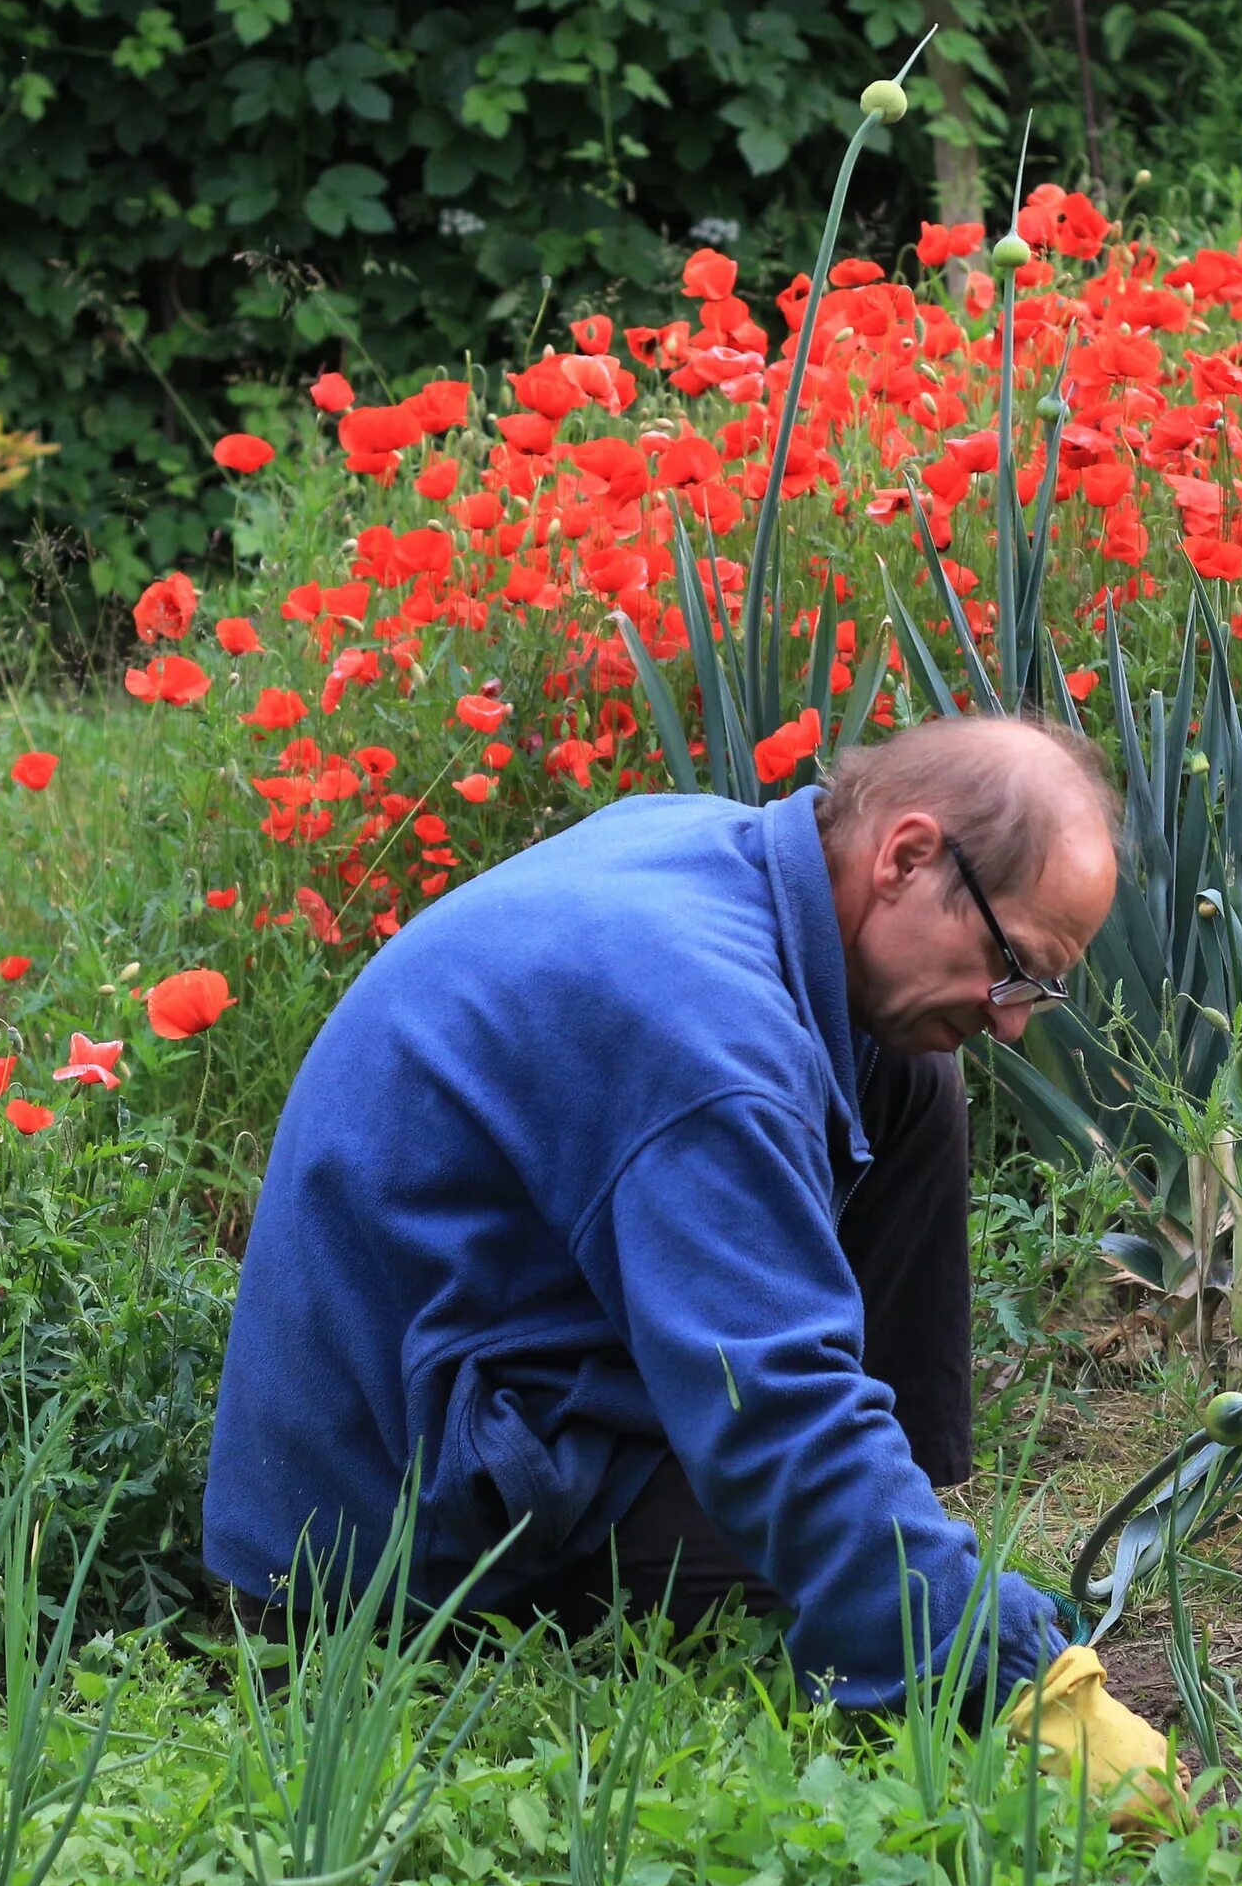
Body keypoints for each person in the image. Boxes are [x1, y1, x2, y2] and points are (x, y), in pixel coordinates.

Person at [202, 715, 1119, 1710]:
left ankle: (904, 1515)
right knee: (823, 1537)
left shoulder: (733, 862)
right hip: (377, 1540)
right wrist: (1000, 1664)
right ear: (906, 855)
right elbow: (775, 1402)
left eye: (1038, 986)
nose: (1012, 1015)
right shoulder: (708, 1036)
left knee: (914, 1071)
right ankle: (906, 1614)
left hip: (488, 1352)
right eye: (1010, 962)